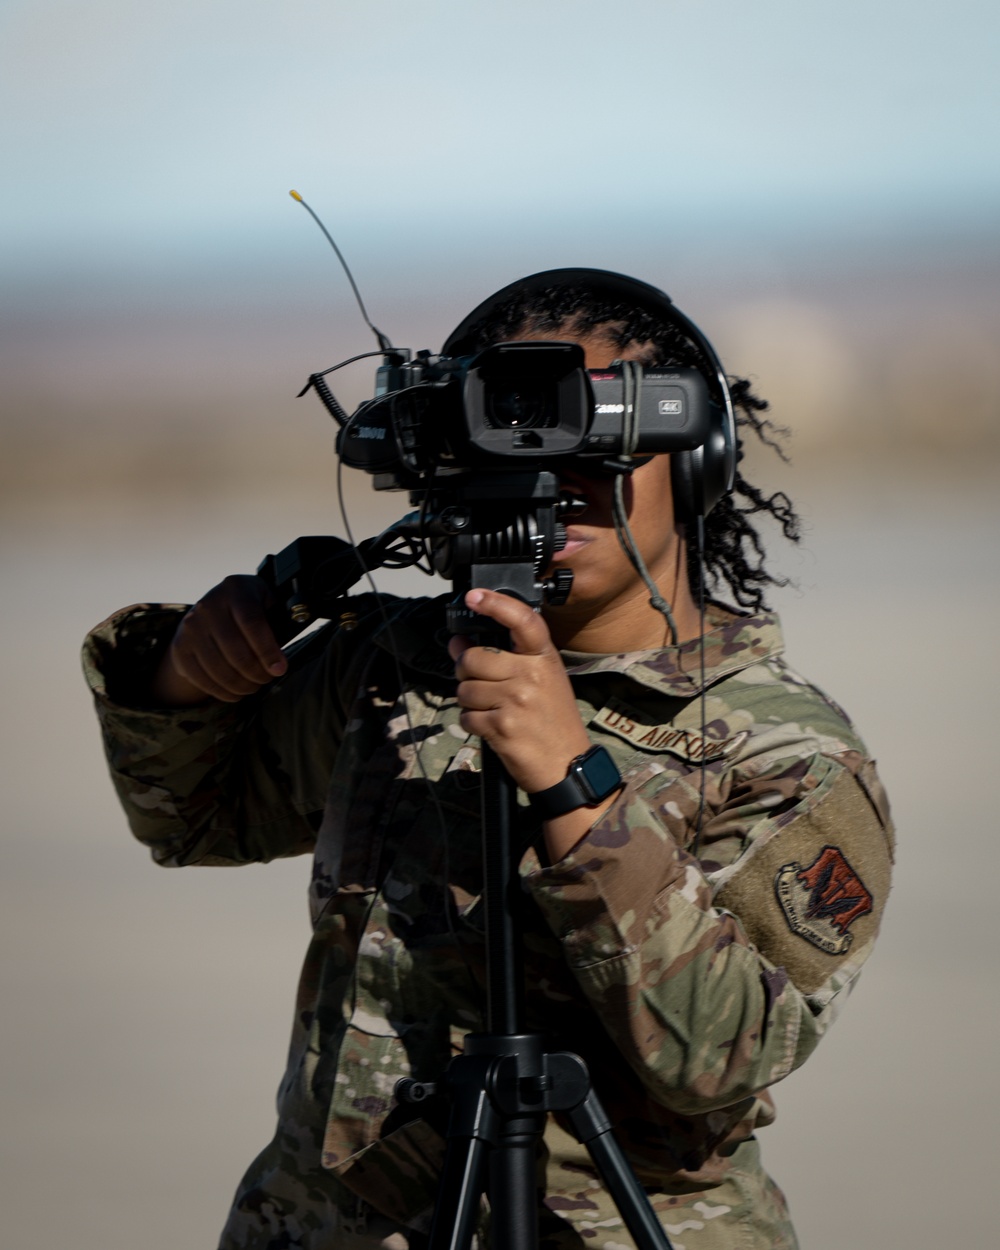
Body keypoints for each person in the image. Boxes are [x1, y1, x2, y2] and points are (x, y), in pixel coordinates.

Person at [82, 270, 894, 1250]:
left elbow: (720, 1053)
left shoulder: (790, 749)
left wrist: (576, 786)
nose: (554, 472)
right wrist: (181, 671)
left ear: (693, 456)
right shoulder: (387, 671)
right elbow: (191, 817)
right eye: (505, 433)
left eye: (595, 435)